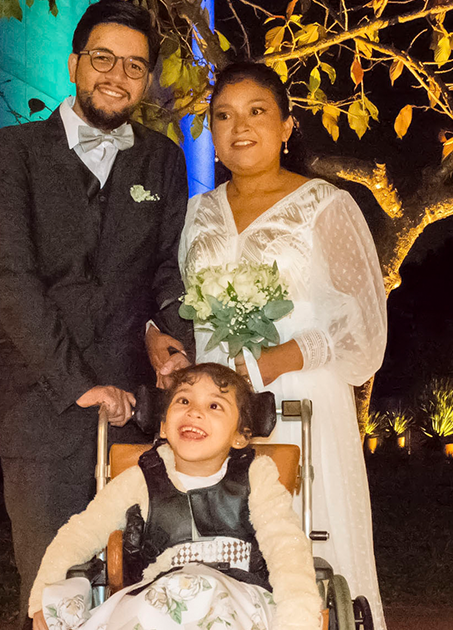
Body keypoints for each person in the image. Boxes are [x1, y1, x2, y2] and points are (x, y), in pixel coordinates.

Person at [0, 1, 192, 623]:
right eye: (103, 58)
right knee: (53, 588)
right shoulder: (9, 152)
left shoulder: (163, 160)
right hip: (41, 405)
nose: (116, 75)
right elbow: (10, 279)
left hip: (135, 413)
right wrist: (78, 385)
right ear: (74, 64)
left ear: (147, 80)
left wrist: (168, 336)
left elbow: (164, 271)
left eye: (134, 65)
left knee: (139, 584)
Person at [179, 62, 389, 629]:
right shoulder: (199, 213)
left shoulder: (327, 205)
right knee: (218, 556)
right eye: (223, 115)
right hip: (216, 410)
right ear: (212, 133)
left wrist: (277, 360)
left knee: (306, 557)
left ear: (287, 126)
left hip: (301, 403)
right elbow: (186, 310)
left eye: (257, 112)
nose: (239, 127)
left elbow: (364, 329)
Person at [30, 363, 322, 630]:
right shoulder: (141, 478)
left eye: (214, 405)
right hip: (159, 595)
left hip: (236, 592)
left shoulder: (256, 475)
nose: (194, 412)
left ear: (240, 436)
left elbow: (286, 548)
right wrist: (43, 594)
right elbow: (80, 533)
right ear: (163, 424)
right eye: (183, 400)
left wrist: (298, 618)